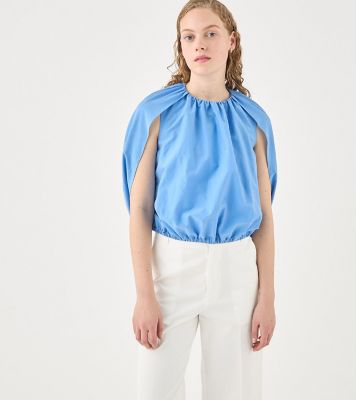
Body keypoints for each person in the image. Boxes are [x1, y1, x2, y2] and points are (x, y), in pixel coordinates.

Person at [121, 1, 278, 399]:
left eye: (211, 33)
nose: (200, 44)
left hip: (237, 271)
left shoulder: (253, 121)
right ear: (181, 45)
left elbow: (264, 217)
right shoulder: (156, 113)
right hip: (172, 265)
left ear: (231, 41)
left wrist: (267, 297)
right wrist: (144, 295)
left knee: (235, 390)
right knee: (155, 389)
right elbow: (140, 210)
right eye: (189, 37)